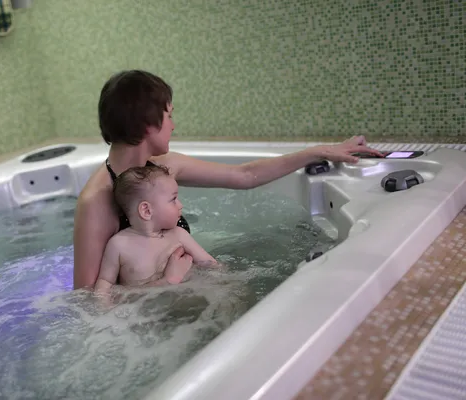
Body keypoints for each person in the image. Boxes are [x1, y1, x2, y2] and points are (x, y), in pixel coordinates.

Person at [73, 69, 383, 290]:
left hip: (188, 292)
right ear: (147, 127)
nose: (174, 125)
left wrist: (320, 151)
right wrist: (165, 283)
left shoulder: (163, 166)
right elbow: (88, 303)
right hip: (152, 317)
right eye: (169, 116)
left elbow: (245, 175)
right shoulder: (96, 201)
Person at [94, 163, 219, 294]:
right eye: (173, 199)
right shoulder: (118, 245)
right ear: (147, 210)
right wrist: (104, 308)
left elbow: (211, 265)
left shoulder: (179, 235)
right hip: (141, 309)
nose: (180, 205)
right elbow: (105, 284)